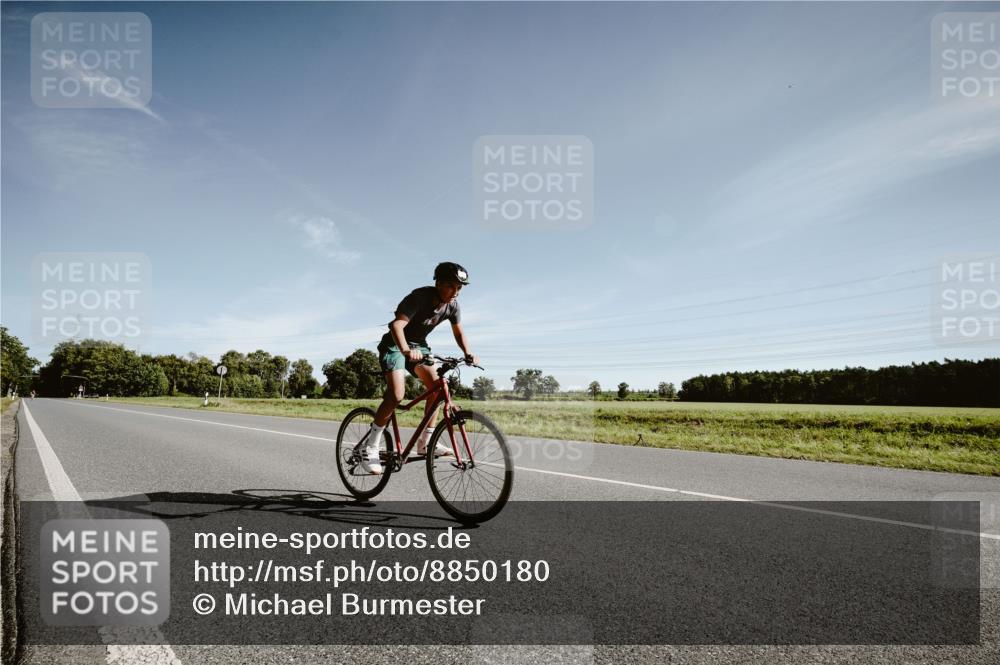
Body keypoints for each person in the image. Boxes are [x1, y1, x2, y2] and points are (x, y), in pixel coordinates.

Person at [358, 262, 479, 474]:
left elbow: (459, 332)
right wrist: (405, 350)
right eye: (452, 286)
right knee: (396, 395)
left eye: (460, 288)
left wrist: (468, 352)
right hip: (396, 345)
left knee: (437, 388)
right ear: (439, 283)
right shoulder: (419, 297)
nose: (456, 292)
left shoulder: (452, 306)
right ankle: (371, 447)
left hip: (419, 348)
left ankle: (425, 442)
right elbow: (397, 325)